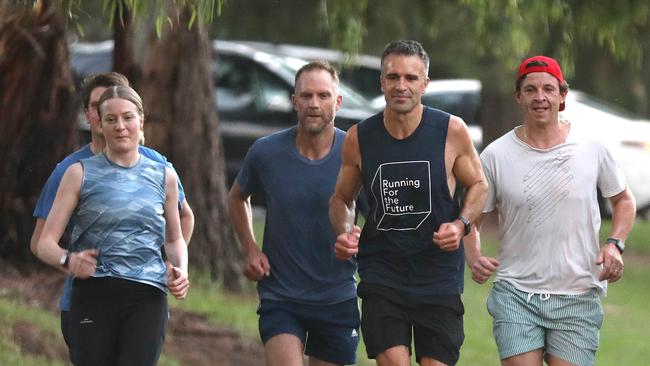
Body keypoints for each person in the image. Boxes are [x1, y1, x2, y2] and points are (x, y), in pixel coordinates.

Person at [464, 55, 636, 366]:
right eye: (530, 89)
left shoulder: (591, 147)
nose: (540, 97)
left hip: (578, 294)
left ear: (562, 96)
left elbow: (624, 200)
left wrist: (615, 244)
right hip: (517, 292)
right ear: (519, 96)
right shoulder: (496, 155)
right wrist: (474, 256)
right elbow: (470, 219)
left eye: (548, 89)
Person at [329, 40, 488, 366]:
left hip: (438, 275)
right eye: (393, 77)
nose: (401, 86)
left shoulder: (451, 131)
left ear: (425, 84)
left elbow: (478, 185)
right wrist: (345, 231)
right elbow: (342, 199)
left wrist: (460, 226)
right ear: (382, 81)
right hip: (383, 273)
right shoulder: (360, 137)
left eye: (411, 78)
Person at [30, 72, 194, 362]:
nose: (120, 127)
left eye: (128, 117)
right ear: (98, 124)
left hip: (147, 296)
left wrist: (180, 268)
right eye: (110, 120)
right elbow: (44, 243)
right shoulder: (77, 173)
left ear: (141, 121)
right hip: (93, 294)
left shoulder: (164, 175)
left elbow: (175, 237)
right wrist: (68, 260)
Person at [228, 60, 360, 366]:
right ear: (294, 101)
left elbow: (378, 212)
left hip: (337, 296)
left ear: (337, 102)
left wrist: (358, 238)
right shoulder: (266, 152)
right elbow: (237, 198)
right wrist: (250, 249)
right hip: (281, 295)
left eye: (323, 96)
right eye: (307, 95)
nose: (314, 104)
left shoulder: (355, 152)